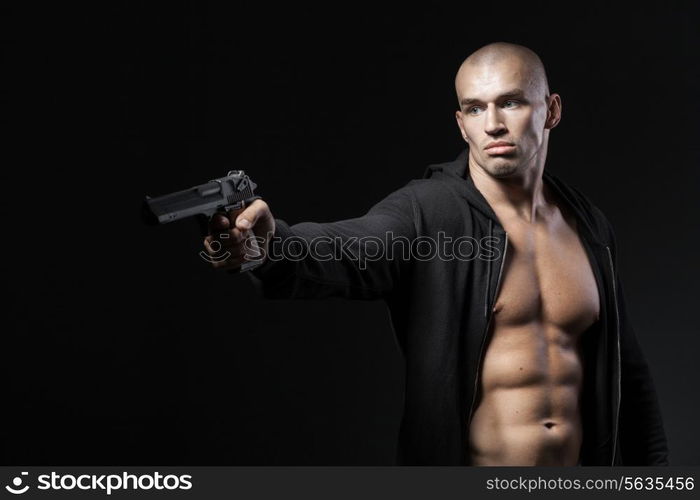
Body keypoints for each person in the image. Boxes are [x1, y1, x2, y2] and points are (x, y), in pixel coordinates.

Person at [202, 42, 669, 466]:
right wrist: (271, 247)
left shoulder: (588, 224)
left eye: (510, 102)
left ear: (551, 110)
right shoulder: (427, 211)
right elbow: (349, 247)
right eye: (474, 108)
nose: (493, 124)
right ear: (460, 123)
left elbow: (626, 368)